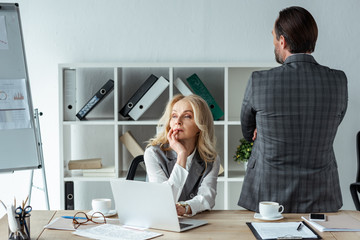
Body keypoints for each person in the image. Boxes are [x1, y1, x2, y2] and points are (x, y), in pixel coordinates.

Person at [238, 6, 348, 213]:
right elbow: (336, 120)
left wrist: (262, 130)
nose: (273, 42)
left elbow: (247, 131)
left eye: (273, 36)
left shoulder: (259, 81)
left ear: (283, 41)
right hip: (321, 194)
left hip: (268, 195)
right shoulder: (338, 80)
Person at [144, 94, 220, 216]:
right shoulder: (153, 154)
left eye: (187, 116)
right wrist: (182, 155)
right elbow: (163, 200)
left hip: (193, 222)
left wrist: (186, 207)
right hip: (159, 221)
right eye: (174, 116)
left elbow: (207, 197)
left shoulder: (211, 159)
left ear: (200, 125)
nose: (177, 122)